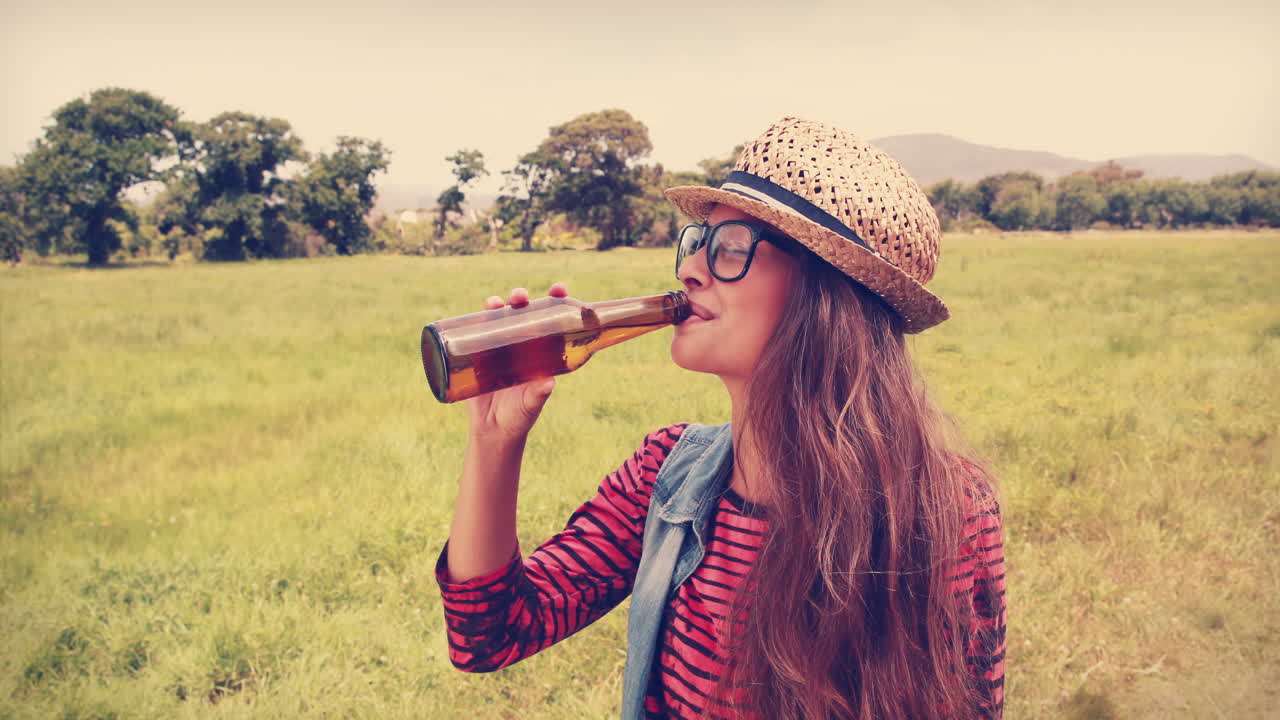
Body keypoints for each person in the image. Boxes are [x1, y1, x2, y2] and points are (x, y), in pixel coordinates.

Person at [435, 117, 1006, 719]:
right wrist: (494, 440)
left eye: (732, 247)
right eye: (696, 241)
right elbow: (489, 635)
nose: (690, 270)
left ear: (827, 295)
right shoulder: (667, 475)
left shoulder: (945, 508)